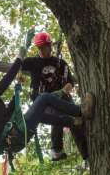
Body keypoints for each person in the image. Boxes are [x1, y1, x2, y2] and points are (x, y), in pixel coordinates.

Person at [0, 57, 95, 157]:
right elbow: (7, 79)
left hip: (12, 141)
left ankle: (73, 121)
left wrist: (17, 92)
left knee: (40, 114)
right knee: (43, 98)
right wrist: (19, 60)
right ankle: (81, 111)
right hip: (14, 135)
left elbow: (8, 113)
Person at [21, 32, 77, 160]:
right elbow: (17, 63)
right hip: (41, 101)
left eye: (44, 47)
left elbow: (70, 82)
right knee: (58, 113)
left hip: (59, 98)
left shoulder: (60, 63)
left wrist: (62, 92)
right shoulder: (32, 62)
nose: (42, 50)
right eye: (39, 48)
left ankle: (86, 152)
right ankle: (56, 149)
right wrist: (26, 45)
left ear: (50, 45)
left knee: (76, 117)